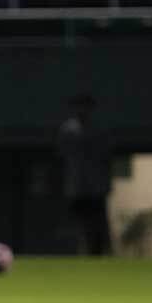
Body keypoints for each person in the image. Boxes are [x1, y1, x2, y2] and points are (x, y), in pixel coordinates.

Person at [56, 94, 113, 255]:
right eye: (79, 106)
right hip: (75, 186)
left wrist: (105, 184)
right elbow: (62, 156)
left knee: (97, 223)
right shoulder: (67, 130)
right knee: (76, 223)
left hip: (96, 187)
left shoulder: (100, 129)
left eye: (85, 106)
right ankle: (74, 252)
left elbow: (106, 158)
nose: (82, 110)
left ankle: (98, 252)